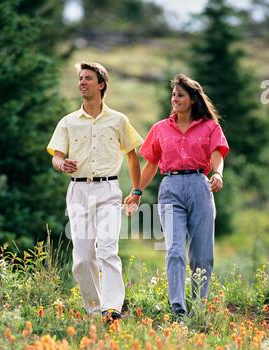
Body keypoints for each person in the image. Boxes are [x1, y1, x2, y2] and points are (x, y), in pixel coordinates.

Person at [125, 74, 229, 320]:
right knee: (174, 250)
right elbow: (150, 165)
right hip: (170, 187)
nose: (175, 99)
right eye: (173, 95)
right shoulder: (160, 129)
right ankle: (178, 307)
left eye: (180, 95)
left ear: (193, 99)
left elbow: (217, 153)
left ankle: (199, 307)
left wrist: (218, 174)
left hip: (199, 186)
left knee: (202, 254)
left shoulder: (210, 127)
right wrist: (136, 191)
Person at [47, 62, 143, 321]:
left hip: (108, 190)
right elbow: (56, 157)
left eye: (88, 78)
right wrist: (61, 164)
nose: (82, 82)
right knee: (83, 258)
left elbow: (133, 158)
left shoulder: (119, 120)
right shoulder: (68, 122)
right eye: (80, 78)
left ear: (101, 84)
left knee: (108, 250)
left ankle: (111, 308)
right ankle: (93, 309)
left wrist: (136, 190)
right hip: (78, 191)